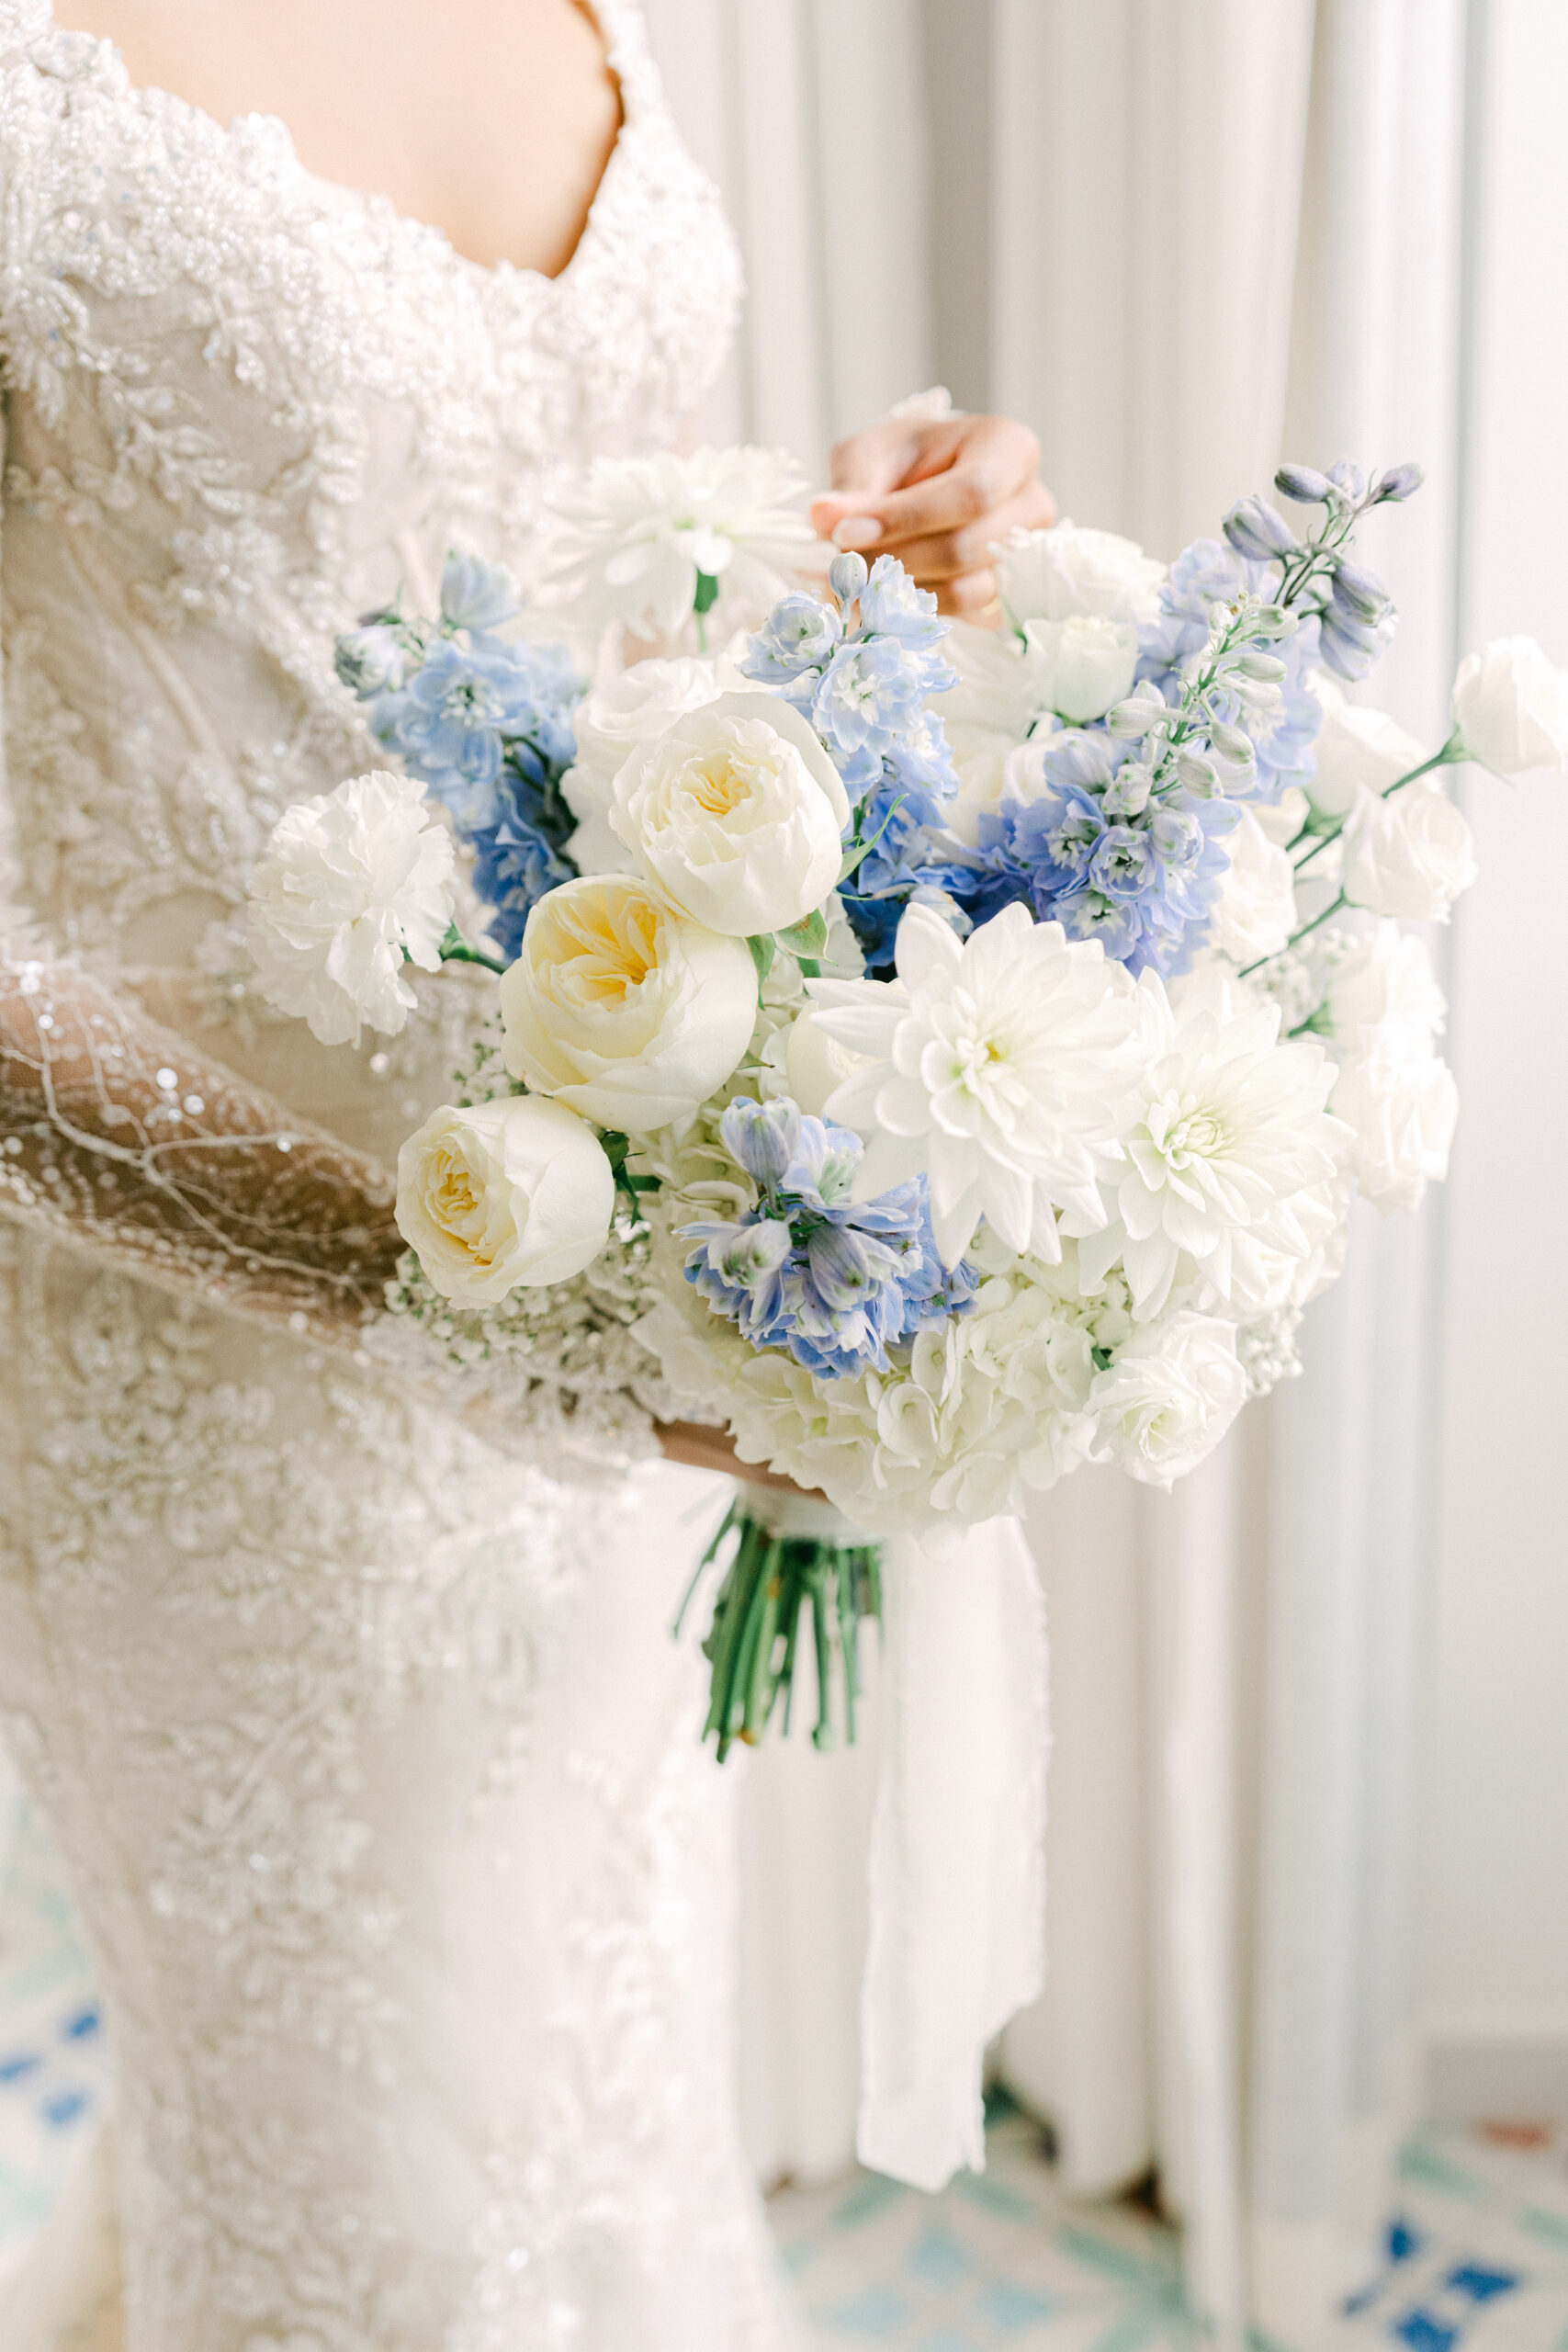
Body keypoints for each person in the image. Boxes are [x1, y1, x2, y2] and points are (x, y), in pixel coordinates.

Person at [0, 1, 1054, 2341]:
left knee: (588, 2096)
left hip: (597, 1236)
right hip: (216, 1363)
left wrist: (850, 588)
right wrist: (456, 1294)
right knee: (365, 2178)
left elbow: (572, 634)